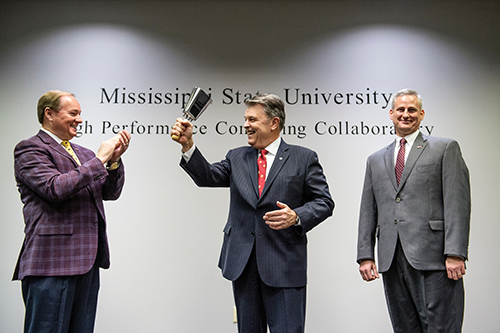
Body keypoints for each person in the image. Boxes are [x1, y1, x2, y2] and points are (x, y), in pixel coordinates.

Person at [172, 93, 334, 333]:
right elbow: (207, 176)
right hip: (243, 265)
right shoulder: (236, 157)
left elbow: (324, 202)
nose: (245, 125)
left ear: (274, 123)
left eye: (252, 119)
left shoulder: (303, 158)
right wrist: (188, 145)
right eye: (245, 119)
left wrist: (296, 216)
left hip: (284, 265)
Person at [13, 90, 131, 333]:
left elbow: (110, 193)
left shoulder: (85, 154)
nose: (79, 119)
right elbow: (55, 188)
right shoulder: (30, 149)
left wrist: (114, 162)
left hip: (87, 262)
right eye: (73, 113)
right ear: (49, 114)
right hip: (51, 263)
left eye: (80, 114)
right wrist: (100, 160)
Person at [356, 88, 471, 332]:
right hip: (391, 257)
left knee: (441, 327)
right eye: (401, 110)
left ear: (421, 114)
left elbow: (457, 203)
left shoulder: (445, 148)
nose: (405, 114)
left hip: (435, 257)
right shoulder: (375, 159)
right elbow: (368, 209)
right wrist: (366, 255)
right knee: (404, 327)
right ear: (391, 114)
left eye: (411, 110)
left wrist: (456, 252)